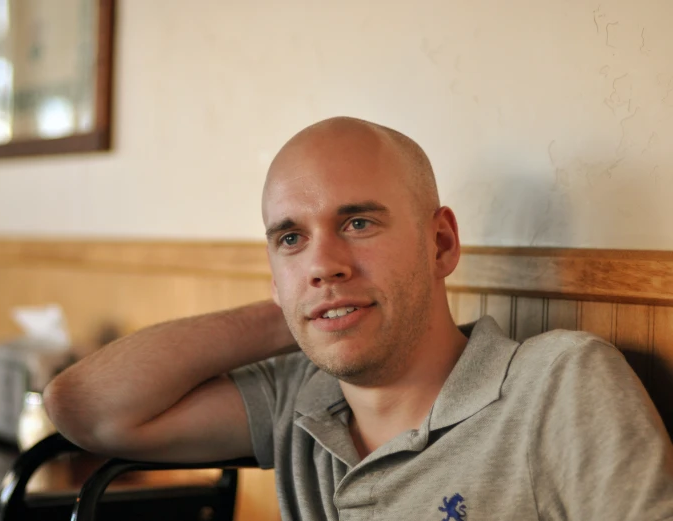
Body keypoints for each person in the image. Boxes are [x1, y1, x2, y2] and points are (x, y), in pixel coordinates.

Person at [43, 117, 673, 520]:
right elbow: (86, 406)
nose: (323, 261)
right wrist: (303, 308)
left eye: (358, 223)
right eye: (291, 240)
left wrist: (327, 298)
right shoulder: (304, 400)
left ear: (441, 245)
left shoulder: (560, 384)